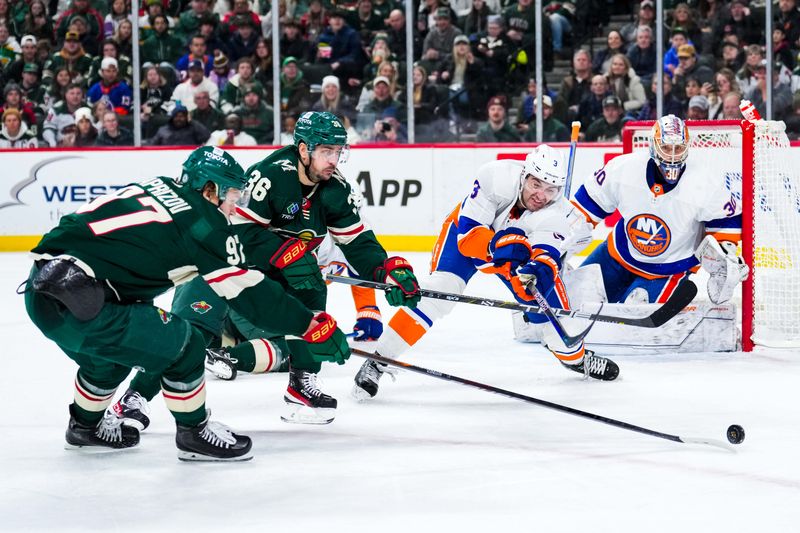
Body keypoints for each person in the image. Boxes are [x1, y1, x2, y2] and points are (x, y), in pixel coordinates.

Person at [23, 146, 349, 460]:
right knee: (187, 343)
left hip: (43, 292)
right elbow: (250, 294)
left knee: (109, 359)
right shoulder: (204, 225)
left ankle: (84, 427)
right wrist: (307, 324)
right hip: (84, 305)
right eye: (232, 196)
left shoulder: (160, 186)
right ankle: (194, 433)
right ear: (210, 189)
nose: (235, 208)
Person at [352, 144, 618, 401]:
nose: (542, 195)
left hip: (515, 254)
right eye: (536, 184)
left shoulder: (558, 213)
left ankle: (575, 358)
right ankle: (377, 361)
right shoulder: (496, 176)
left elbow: (545, 258)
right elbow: (467, 236)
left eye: (551, 188)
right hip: (469, 239)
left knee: (549, 313)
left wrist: (536, 274)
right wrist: (496, 245)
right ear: (525, 175)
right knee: (438, 293)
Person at [222, 111, 420, 423]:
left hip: (288, 272)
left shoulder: (336, 189)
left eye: (338, 152)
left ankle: (301, 384)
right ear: (303, 149)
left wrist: (384, 270)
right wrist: (287, 255)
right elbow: (239, 235)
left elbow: (356, 242)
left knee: (312, 289)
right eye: (326, 151)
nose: (333, 160)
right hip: (240, 270)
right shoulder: (269, 175)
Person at [572, 114, 746, 307]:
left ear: (687, 147)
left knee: (634, 310)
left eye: (678, 148)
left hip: (669, 270)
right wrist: (560, 241)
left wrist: (725, 251)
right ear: (653, 146)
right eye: (666, 148)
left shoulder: (704, 182)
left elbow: (726, 218)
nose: (672, 155)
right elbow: (587, 205)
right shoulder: (623, 168)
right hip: (616, 256)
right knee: (573, 298)